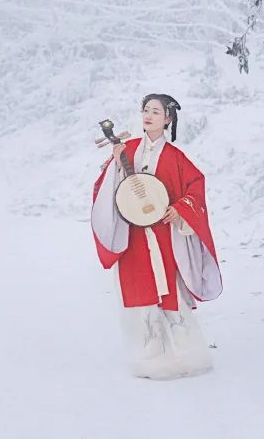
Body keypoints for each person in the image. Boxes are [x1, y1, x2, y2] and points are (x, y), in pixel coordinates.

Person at [91, 93, 223, 379]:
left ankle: (189, 355)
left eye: (155, 111)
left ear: (168, 118)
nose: (148, 116)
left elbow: (195, 186)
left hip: (164, 235)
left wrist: (179, 209)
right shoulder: (129, 148)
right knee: (141, 294)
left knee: (170, 292)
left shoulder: (176, 158)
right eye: (145, 110)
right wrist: (116, 162)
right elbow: (108, 187)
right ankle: (152, 359)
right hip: (135, 237)